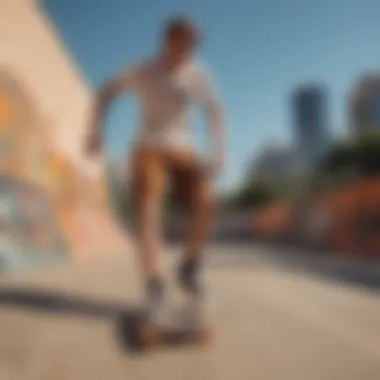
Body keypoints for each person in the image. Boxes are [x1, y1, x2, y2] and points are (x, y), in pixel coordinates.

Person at [85, 16, 226, 320]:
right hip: (149, 147)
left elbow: (215, 111)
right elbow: (106, 91)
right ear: (168, 42)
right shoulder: (142, 70)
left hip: (183, 149)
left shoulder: (198, 74)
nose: (188, 51)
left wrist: (218, 151)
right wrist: (95, 130)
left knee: (207, 200)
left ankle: (189, 268)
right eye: (183, 43)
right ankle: (154, 285)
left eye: (193, 46)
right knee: (149, 207)